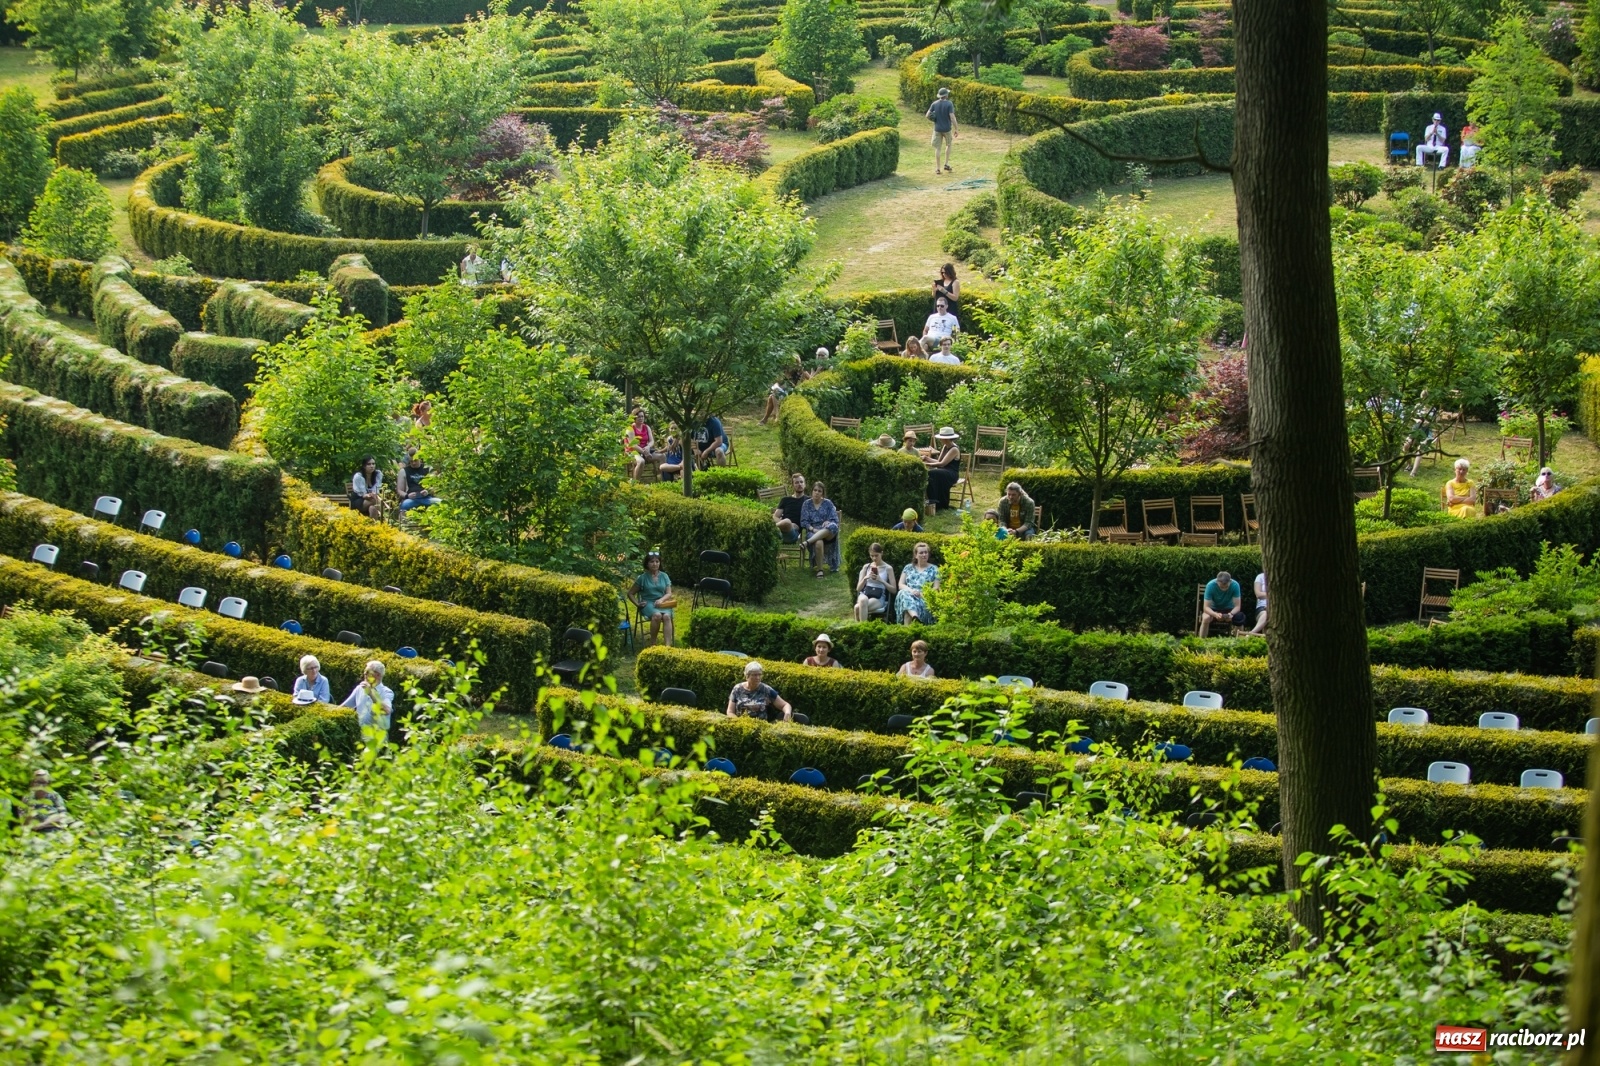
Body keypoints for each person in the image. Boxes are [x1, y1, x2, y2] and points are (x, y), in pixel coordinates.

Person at [629, 550, 675, 647]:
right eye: (652, 562)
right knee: (657, 615)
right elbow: (630, 593)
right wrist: (637, 604)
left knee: (666, 617)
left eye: (657, 562)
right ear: (647, 564)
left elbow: (669, 593)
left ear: (660, 563)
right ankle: (653, 644)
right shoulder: (642, 578)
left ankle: (668, 647)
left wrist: (661, 600)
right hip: (649, 603)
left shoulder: (664, 576)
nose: (655, 564)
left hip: (662, 603)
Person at [341, 659, 395, 739]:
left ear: (378, 675)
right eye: (364, 671)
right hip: (359, 733)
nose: (364, 674)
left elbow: (387, 710)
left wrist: (371, 693)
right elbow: (345, 707)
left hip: (377, 736)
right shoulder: (359, 688)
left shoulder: (387, 692)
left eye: (367, 672)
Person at [726, 660, 794, 722]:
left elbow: (785, 705)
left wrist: (787, 713)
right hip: (741, 725)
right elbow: (730, 711)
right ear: (747, 676)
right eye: (755, 675)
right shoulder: (737, 689)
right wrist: (738, 722)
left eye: (759, 674)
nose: (758, 678)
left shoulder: (766, 689)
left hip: (761, 727)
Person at [801, 480, 841, 577]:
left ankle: (807, 543)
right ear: (812, 491)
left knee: (833, 526)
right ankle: (820, 570)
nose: (817, 493)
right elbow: (804, 522)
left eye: (819, 491)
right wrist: (813, 529)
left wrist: (829, 521)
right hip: (812, 530)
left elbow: (835, 520)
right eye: (815, 490)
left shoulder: (828, 503)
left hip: (827, 531)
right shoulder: (806, 504)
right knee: (818, 542)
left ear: (822, 493)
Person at [896, 541, 940, 624]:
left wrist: (922, 594)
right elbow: (900, 584)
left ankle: (911, 623)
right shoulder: (908, 567)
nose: (924, 555)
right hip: (909, 595)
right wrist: (911, 591)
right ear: (916, 555)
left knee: (907, 611)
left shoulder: (934, 569)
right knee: (903, 592)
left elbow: (936, 588)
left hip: (923, 599)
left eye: (926, 552)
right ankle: (915, 616)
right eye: (921, 553)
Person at [854, 541, 897, 621]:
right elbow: (858, 589)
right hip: (865, 593)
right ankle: (864, 629)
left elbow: (894, 590)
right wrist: (865, 578)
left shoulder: (888, 568)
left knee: (857, 607)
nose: (874, 558)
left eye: (876, 555)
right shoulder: (866, 567)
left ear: (882, 553)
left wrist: (881, 580)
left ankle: (861, 629)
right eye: (872, 556)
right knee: (863, 600)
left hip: (878, 597)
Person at [923, 427, 963, 511]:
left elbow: (942, 464)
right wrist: (927, 458)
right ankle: (934, 502)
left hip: (951, 473)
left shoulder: (954, 449)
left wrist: (926, 464)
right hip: (943, 471)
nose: (940, 440)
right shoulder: (945, 446)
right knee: (932, 473)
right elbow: (939, 461)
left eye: (942, 438)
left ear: (946, 439)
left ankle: (936, 502)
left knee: (932, 473)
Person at [1199, 570, 1247, 637]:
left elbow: (1237, 606)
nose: (1224, 589)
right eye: (1221, 587)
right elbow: (1206, 607)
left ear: (1230, 582)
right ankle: (1201, 641)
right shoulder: (1210, 585)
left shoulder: (1235, 585)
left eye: (1226, 587)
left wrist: (1231, 614)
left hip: (1229, 609)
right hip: (1213, 609)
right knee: (1206, 618)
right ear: (1217, 582)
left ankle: (1240, 642)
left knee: (1240, 617)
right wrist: (1215, 614)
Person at [926, 85, 958, 174]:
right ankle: (946, 164)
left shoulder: (934, 104)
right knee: (948, 145)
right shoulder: (949, 104)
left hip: (937, 129)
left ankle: (938, 168)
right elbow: (952, 117)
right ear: (946, 95)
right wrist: (956, 129)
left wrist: (934, 119)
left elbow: (927, 115)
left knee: (938, 148)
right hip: (947, 129)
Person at [397, 448, 437, 512]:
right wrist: (407, 495)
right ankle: (402, 521)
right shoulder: (403, 471)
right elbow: (399, 490)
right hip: (412, 499)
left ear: (420, 458)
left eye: (415, 460)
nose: (413, 463)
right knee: (404, 505)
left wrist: (428, 491)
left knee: (440, 503)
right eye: (411, 461)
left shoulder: (428, 468)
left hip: (427, 498)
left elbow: (435, 487)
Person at [626, 409, 661, 480]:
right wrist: (645, 453)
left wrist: (648, 446)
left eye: (642, 416)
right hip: (633, 451)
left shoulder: (646, 427)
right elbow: (633, 445)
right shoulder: (630, 428)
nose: (641, 418)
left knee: (662, 456)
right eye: (639, 417)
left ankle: (664, 480)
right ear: (634, 418)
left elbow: (651, 441)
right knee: (641, 461)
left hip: (646, 450)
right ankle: (636, 484)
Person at [772, 472, 807, 544]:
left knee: (787, 521)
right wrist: (789, 524)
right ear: (793, 485)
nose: (799, 484)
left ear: (805, 484)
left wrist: (789, 524)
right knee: (787, 522)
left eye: (801, 482)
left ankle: (769, 529)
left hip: (793, 535)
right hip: (780, 532)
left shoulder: (809, 501)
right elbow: (775, 516)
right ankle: (773, 530)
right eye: (796, 482)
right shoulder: (785, 500)